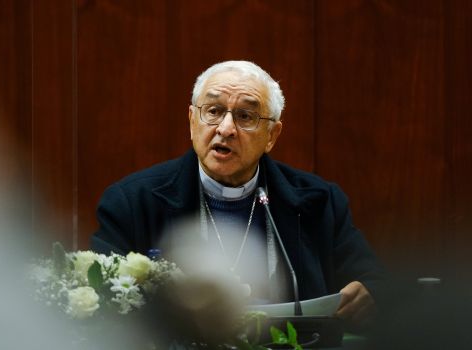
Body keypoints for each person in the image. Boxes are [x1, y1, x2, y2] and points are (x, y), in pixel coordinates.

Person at [91, 60, 384, 327]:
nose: (226, 128)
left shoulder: (320, 201)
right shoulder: (132, 202)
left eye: (245, 116)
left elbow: (374, 282)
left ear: (272, 136)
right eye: (214, 111)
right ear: (192, 121)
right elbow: (103, 298)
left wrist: (368, 294)